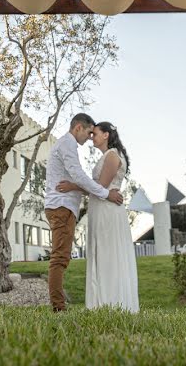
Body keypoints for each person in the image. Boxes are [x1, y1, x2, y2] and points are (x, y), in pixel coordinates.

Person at [44, 113, 123, 312]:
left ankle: (59, 305)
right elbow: (78, 175)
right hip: (61, 207)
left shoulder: (67, 145)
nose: (89, 138)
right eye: (89, 132)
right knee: (60, 257)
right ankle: (58, 308)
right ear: (78, 127)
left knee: (62, 256)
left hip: (64, 207)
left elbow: (77, 179)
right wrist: (106, 194)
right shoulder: (67, 145)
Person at [57, 121, 139, 313]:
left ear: (106, 135)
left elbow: (100, 186)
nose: (91, 137)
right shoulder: (108, 156)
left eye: (95, 134)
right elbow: (99, 188)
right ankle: (103, 303)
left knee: (108, 253)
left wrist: (72, 186)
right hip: (102, 207)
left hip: (107, 210)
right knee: (102, 252)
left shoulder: (111, 156)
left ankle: (111, 302)